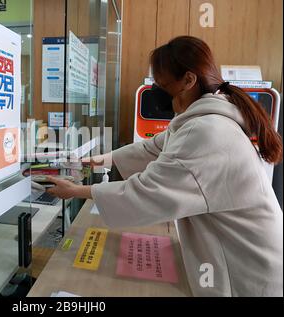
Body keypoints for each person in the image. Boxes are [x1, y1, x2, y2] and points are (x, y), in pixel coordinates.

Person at [46, 36, 283, 297]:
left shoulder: (209, 132)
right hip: (234, 253)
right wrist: (98, 159)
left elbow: (149, 192)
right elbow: (151, 148)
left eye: (162, 82)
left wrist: (76, 191)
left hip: (249, 270)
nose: (157, 89)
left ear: (189, 80)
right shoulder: (197, 121)